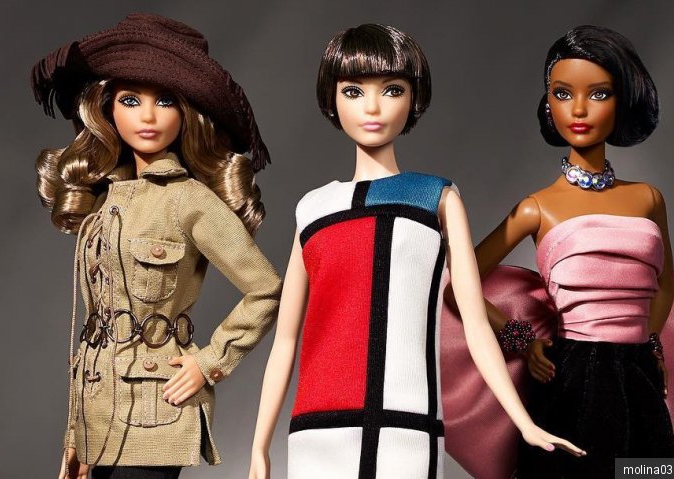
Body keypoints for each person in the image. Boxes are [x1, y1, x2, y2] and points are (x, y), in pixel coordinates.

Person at [247, 24, 584, 479]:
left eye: (391, 89)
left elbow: (475, 322)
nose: (371, 107)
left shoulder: (436, 198)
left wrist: (523, 422)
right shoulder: (312, 209)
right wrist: (259, 447)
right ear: (332, 99)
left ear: (413, 98)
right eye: (352, 91)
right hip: (316, 431)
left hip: (407, 426)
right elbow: (286, 338)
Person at [440, 25, 674, 478]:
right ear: (548, 103)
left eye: (598, 94)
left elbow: (663, 286)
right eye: (563, 94)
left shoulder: (648, 199)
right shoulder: (536, 208)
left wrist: (651, 343)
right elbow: (456, 288)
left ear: (622, 102)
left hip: (639, 375)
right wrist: (522, 340)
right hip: (571, 377)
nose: (578, 109)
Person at [31, 13, 283, 479]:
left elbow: (266, 288)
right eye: (130, 100)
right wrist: (76, 435)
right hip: (99, 416)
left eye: (164, 101)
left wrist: (209, 363)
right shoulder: (105, 203)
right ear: (107, 109)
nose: (147, 117)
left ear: (185, 113)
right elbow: (96, 330)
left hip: (157, 408)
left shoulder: (190, 200)